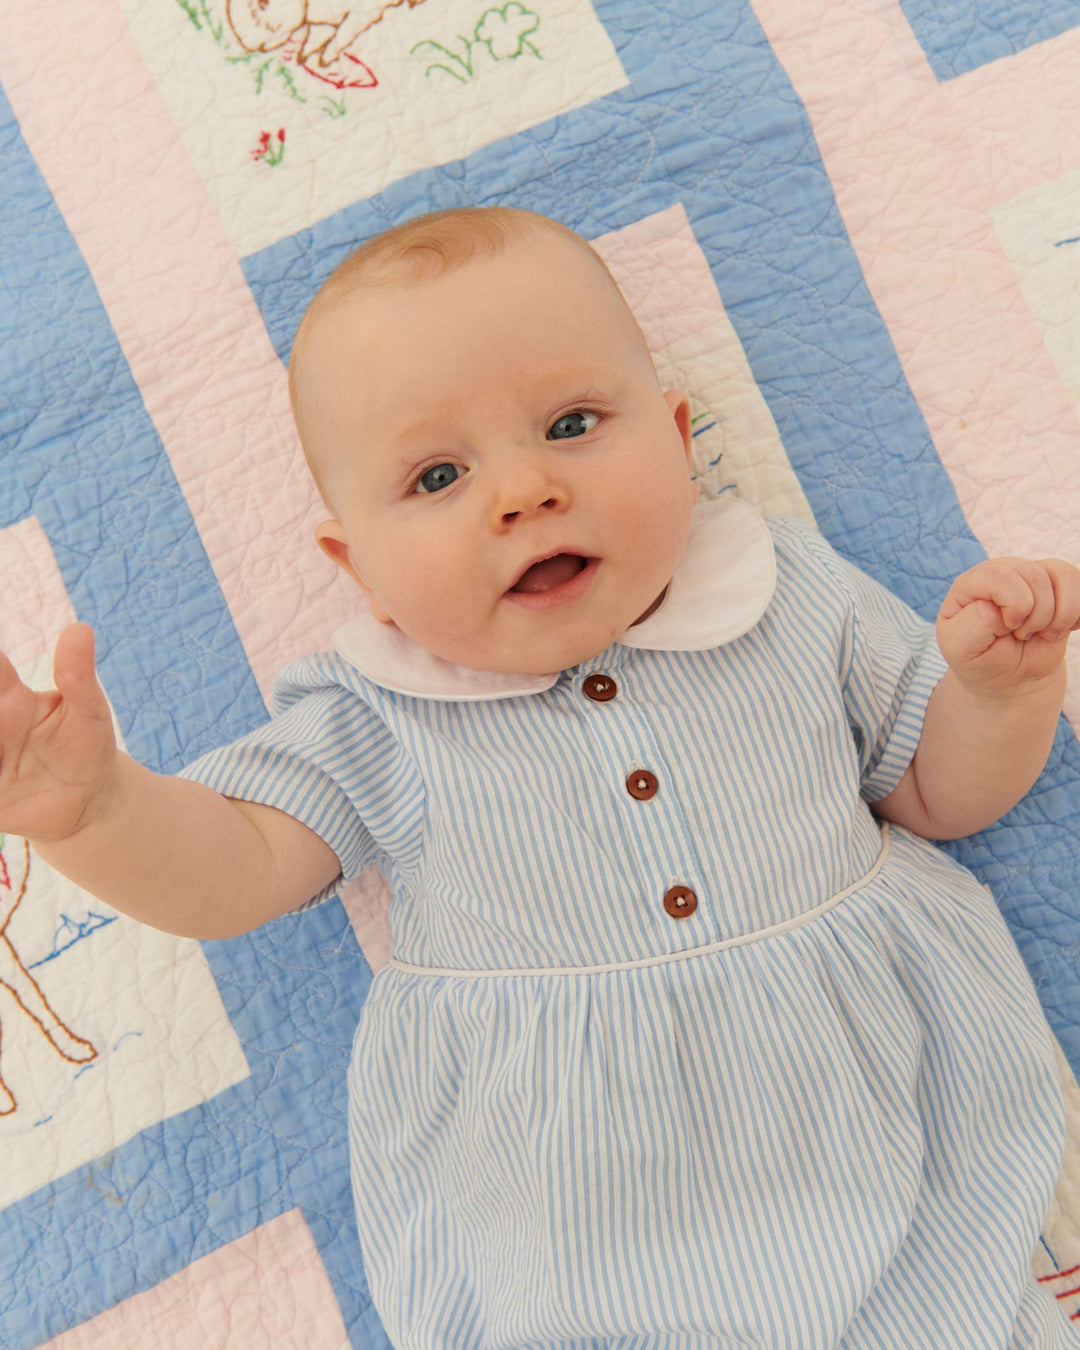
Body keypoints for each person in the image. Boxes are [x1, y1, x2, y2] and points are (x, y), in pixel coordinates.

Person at [2, 206, 1079, 1348]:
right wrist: (98, 811)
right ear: (355, 566)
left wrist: (999, 696)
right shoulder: (374, 709)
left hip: (873, 1115)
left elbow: (935, 797)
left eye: (572, 423)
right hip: (567, 1197)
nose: (521, 491)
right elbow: (237, 870)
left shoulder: (783, 590)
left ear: (674, 434)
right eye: (435, 477)